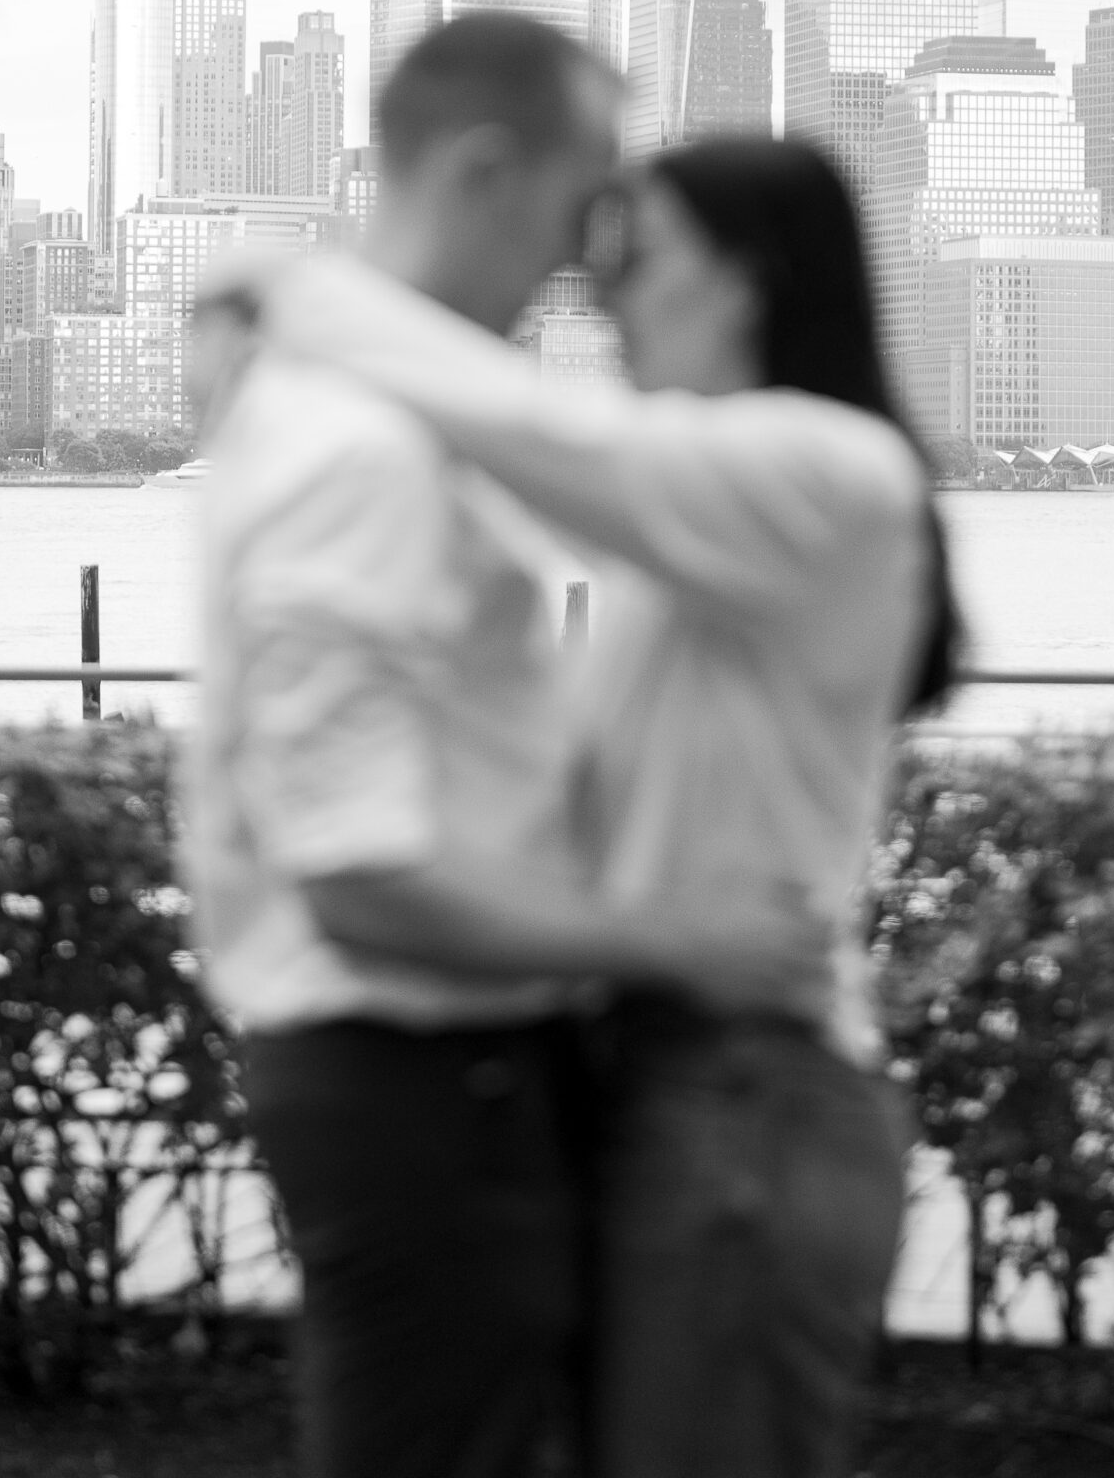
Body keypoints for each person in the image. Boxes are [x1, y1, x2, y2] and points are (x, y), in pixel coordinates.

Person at [255, 133, 960, 1478]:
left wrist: (289, 290)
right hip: (654, 1085)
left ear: (746, 279)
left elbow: (546, 436)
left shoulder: (832, 469)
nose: (596, 294)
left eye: (633, 256)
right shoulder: (678, 549)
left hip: (744, 1094)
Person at [185, 20, 823, 1478]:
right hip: (416, 1081)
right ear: (484, 171)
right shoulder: (359, 455)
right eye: (582, 202)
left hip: (440, 1075)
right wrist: (678, 941)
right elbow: (355, 873)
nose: (590, 262)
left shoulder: (365, 415)